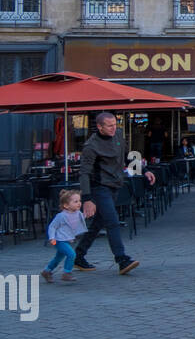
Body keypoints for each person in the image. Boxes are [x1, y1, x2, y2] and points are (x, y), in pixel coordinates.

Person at [72, 112, 155, 275]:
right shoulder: (91, 146)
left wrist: (144, 171)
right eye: (109, 126)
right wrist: (87, 198)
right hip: (99, 187)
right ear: (100, 127)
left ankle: (78, 256)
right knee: (112, 222)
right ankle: (122, 260)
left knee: (97, 224)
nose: (113, 128)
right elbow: (84, 173)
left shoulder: (118, 136)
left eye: (115, 125)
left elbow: (128, 156)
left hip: (115, 185)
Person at [42, 189, 89, 284]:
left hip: (66, 240)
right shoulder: (61, 216)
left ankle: (46, 271)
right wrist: (52, 238)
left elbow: (79, 221)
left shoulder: (78, 213)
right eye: (75, 201)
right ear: (66, 205)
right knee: (71, 254)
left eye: (79, 201)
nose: (79, 203)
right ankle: (67, 273)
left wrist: (86, 215)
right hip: (58, 240)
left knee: (58, 258)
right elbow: (52, 227)